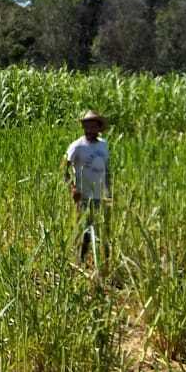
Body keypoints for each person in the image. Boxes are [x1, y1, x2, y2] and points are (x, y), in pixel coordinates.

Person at [64, 110, 111, 263]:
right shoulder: (77, 146)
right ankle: (80, 260)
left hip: (100, 194)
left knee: (102, 228)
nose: (90, 130)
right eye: (87, 126)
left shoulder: (104, 145)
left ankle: (104, 260)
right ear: (84, 127)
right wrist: (73, 188)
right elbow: (64, 168)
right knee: (85, 228)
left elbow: (106, 169)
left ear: (99, 128)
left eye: (93, 127)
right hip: (84, 194)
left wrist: (109, 190)